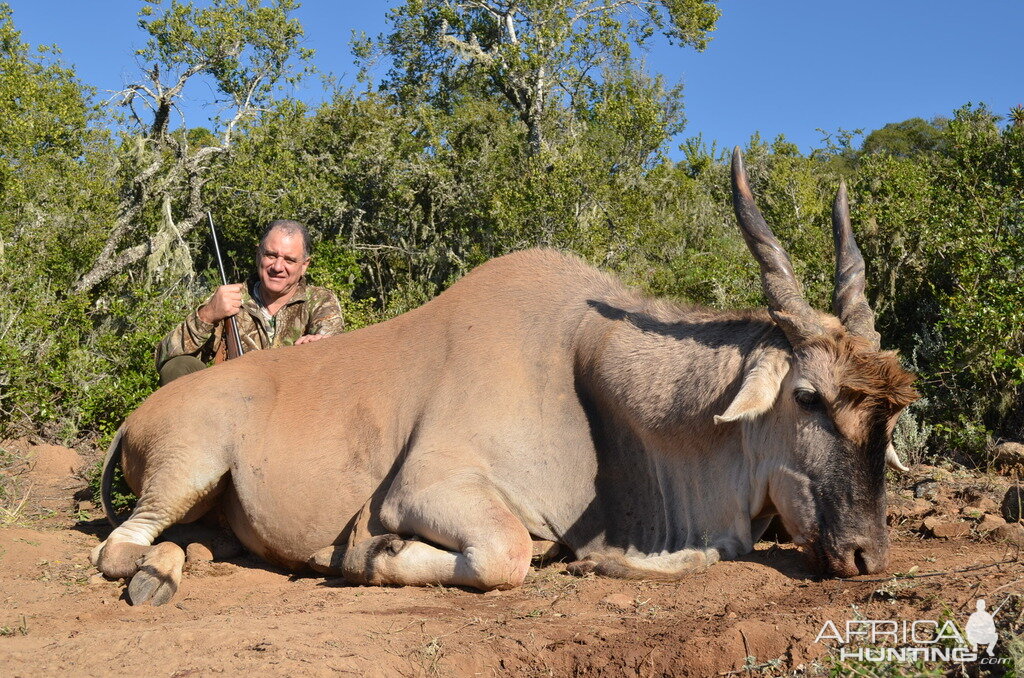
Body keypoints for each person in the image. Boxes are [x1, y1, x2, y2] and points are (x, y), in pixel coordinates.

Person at [156, 219, 345, 385]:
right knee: (178, 366)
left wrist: (321, 347)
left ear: (304, 266)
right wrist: (207, 315)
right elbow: (164, 356)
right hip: (233, 401)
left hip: (292, 405)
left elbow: (335, 351)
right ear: (258, 255)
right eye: (271, 255)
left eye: (289, 260)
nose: (278, 267)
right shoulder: (229, 298)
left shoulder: (320, 301)